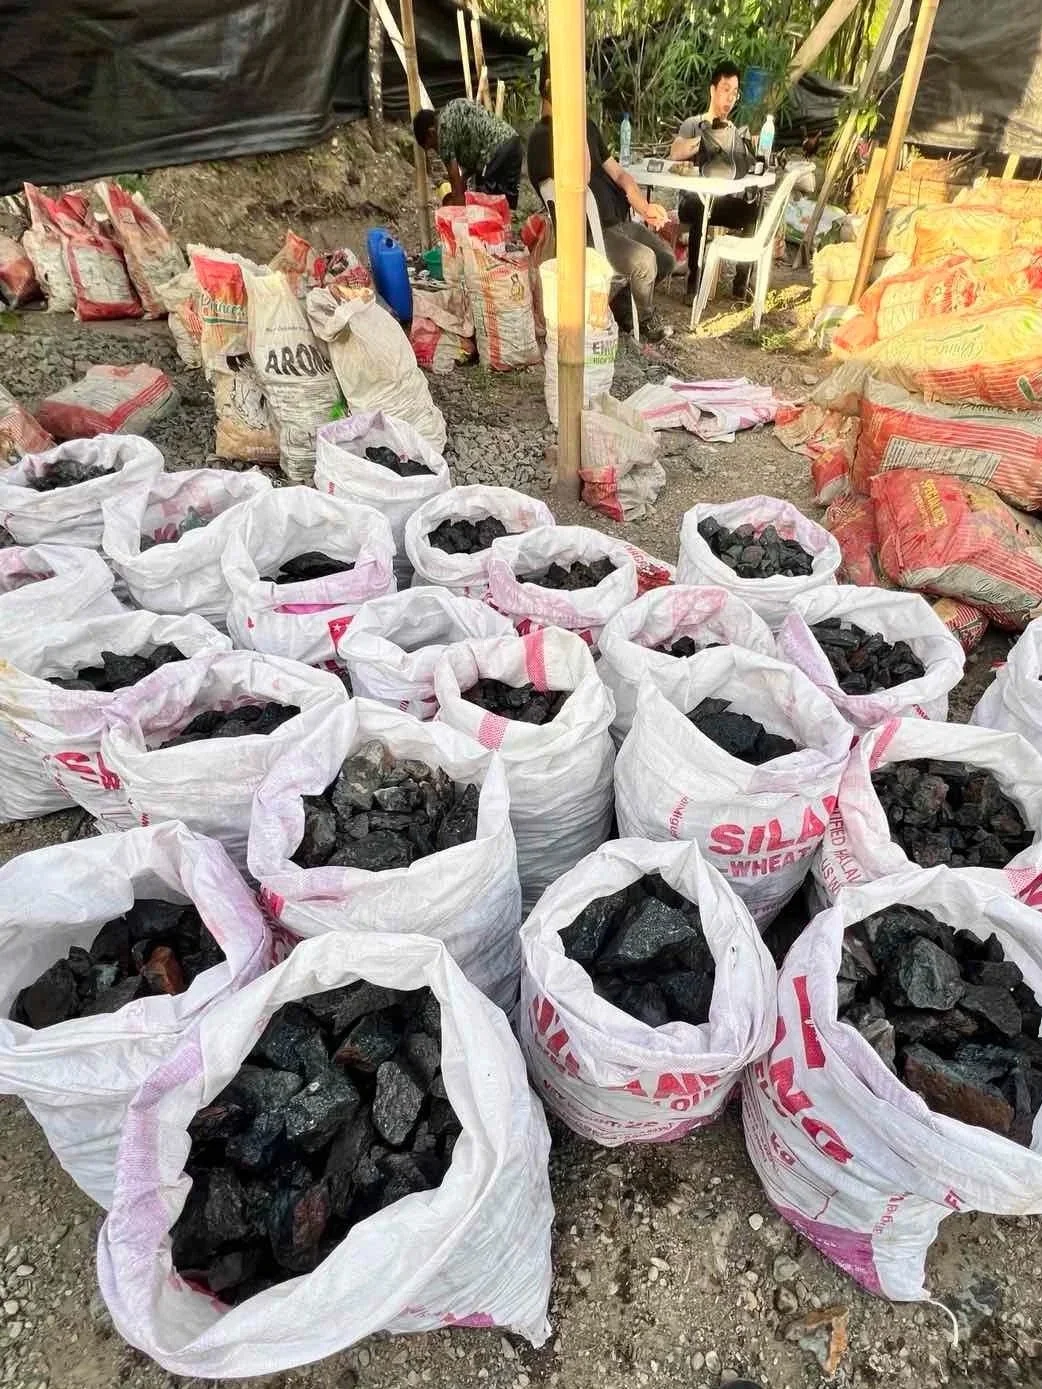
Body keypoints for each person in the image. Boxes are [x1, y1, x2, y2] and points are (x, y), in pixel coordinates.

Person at [527, 63, 676, 343]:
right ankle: (640, 321)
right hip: (589, 235)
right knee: (645, 262)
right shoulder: (542, 140)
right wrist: (571, 121)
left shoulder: (587, 127)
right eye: (573, 85)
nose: (581, 92)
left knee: (666, 259)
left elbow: (617, 172)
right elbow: (579, 181)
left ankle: (619, 303)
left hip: (619, 222)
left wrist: (644, 207)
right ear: (550, 87)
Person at [670, 60, 761, 304]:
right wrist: (709, 139)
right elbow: (675, 152)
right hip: (692, 203)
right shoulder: (694, 124)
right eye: (725, 89)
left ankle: (741, 285)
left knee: (753, 211)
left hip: (722, 203)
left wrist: (742, 145)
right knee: (701, 205)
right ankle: (694, 285)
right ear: (712, 90)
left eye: (734, 92)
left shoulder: (735, 131)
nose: (730, 97)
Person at [413, 99, 524, 209]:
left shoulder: (442, 130)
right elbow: (475, 139)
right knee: (504, 205)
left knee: (485, 209)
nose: (437, 151)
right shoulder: (454, 108)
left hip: (495, 153)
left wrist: (457, 215)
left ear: (431, 132)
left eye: (432, 146)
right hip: (513, 144)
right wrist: (464, 178)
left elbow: (455, 182)